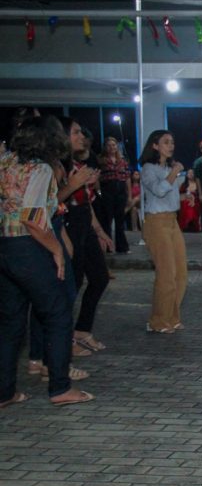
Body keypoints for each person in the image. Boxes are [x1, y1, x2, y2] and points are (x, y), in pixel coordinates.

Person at [1, 116, 93, 407]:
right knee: (58, 314)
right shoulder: (40, 169)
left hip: (4, 246)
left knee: (11, 321)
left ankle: (4, 392)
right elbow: (32, 218)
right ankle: (60, 388)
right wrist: (56, 250)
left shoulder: (5, 162)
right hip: (29, 247)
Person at [57, 118, 113, 354]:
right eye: (76, 132)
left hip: (84, 224)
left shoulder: (76, 166)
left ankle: (81, 330)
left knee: (100, 277)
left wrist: (100, 231)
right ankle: (63, 340)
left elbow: (85, 204)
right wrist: (74, 185)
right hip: (67, 227)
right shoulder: (55, 166)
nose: (82, 137)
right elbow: (48, 203)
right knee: (72, 284)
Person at [139, 130, 188, 334]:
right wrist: (175, 172)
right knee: (166, 273)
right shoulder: (148, 169)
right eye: (166, 142)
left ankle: (172, 317)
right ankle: (158, 321)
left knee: (180, 272)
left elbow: (169, 196)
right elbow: (158, 190)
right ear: (155, 146)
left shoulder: (168, 168)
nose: (171, 146)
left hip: (172, 220)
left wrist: (185, 197)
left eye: (172, 142)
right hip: (156, 222)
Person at [96, 136, 132, 253]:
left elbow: (127, 178)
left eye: (114, 145)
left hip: (120, 191)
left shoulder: (123, 161)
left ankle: (122, 247)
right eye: (109, 145)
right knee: (107, 220)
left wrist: (129, 195)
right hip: (107, 191)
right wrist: (99, 192)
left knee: (120, 220)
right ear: (105, 147)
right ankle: (108, 246)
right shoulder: (101, 161)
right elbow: (97, 177)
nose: (112, 147)